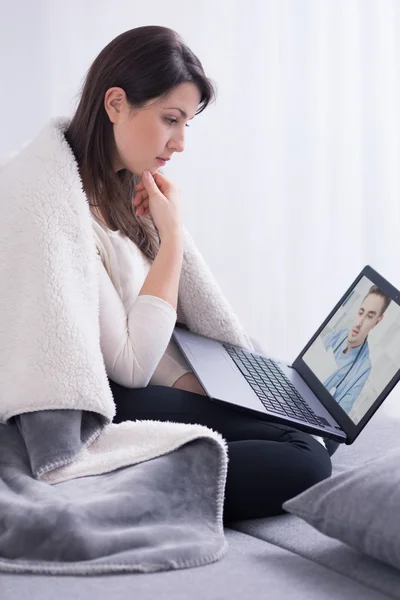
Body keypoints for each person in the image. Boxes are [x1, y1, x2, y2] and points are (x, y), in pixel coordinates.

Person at [52, 26, 339, 521]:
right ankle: (117, 496)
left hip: (154, 385)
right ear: (116, 103)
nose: (180, 142)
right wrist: (173, 239)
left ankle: (153, 470)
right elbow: (130, 364)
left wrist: (192, 379)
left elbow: (151, 324)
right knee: (304, 460)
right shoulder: (62, 209)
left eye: (186, 124)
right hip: (107, 404)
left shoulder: (121, 191)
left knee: (311, 435)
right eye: (170, 119)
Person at [323, 285, 391, 413]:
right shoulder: (337, 335)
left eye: (370, 316)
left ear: (377, 322)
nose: (359, 323)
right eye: (361, 312)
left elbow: (341, 411)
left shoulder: (363, 368)